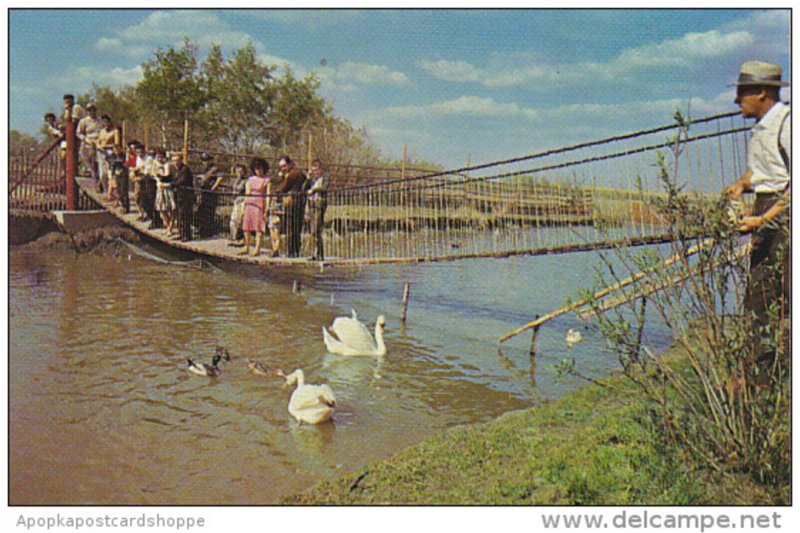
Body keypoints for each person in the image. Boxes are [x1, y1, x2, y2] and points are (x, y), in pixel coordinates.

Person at [724, 60, 791, 382]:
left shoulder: (788, 124)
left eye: (742, 94)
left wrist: (764, 219)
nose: (737, 101)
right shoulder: (762, 126)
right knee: (761, 295)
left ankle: (771, 382)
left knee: (782, 294)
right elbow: (765, 170)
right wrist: (743, 183)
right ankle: (760, 378)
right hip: (768, 207)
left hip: (784, 213)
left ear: (762, 92)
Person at [277, 156, 308, 257]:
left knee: (291, 227)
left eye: (284, 166)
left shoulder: (293, 174)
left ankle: (291, 252)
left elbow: (282, 188)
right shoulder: (300, 173)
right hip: (300, 201)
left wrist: (282, 178)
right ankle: (296, 251)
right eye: (281, 167)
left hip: (293, 202)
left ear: (290, 164)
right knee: (296, 228)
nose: (283, 168)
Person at [240, 158, 271, 256]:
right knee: (246, 226)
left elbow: (268, 195)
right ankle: (246, 246)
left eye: (260, 168)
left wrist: (267, 208)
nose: (258, 170)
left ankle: (257, 248)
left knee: (258, 227)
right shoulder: (250, 179)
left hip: (259, 203)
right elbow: (247, 193)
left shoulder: (267, 180)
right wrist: (244, 205)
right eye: (256, 168)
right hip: (250, 203)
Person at [194, 152, 224, 238]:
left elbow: (220, 177)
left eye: (206, 160)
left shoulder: (214, 169)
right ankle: (202, 230)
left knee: (209, 212)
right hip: (204, 192)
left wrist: (213, 188)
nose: (205, 162)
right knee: (202, 211)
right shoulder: (205, 169)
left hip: (211, 193)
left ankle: (208, 232)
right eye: (203, 160)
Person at [305, 159, 329, 261]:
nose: (315, 172)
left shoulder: (325, 178)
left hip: (319, 204)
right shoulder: (312, 180)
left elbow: (324, 188)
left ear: (321, 169)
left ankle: (320, 253)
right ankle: (315, 253)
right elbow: (304, 188)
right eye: (313, 170)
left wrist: (314, 189)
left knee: (317, 229)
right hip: (311, 204)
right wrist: (308, 179)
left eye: (316, 170)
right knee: (312, 230)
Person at [170, 152, 195, 241]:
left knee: (185, 215)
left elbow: (182, 181)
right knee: (179, 215)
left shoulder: (185, 169)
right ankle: (181, 233)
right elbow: (173, 179)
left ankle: (187, 235)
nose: (176, 163)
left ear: (181, 160)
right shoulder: (175, 169)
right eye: (174, 161)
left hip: (186, 197)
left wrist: (170, 184)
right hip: (179, 196)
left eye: (177, 160)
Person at [152, 149, 176, 235]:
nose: (159, 159)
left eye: (161, 157)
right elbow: (154, 175)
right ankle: (167, 224)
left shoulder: (168, 165)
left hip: (168, 188)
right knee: (161, 209)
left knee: (171, 208)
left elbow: (168, 176)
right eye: (157, 157)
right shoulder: (155, 165)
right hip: (160, 188)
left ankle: (170, 227)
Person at [76, 103, 103, 181]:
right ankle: (90, 171)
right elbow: (78, 133)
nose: (91, 112)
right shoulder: (83, 121)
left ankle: (99, 176)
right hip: (88, 142)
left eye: (93, 110)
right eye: (89, 110)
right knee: (82, 153)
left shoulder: (100, 120)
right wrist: (85, 139)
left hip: (99, 142)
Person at [96, 115, 120, 195]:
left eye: (107, 121)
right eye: (103, 122)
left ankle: (112, 192)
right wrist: (99, 147)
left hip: (110, 152)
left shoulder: (115, 131)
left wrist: (106, 146)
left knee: (111, 173)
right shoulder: (102, 131)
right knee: (102, 173)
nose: (105, 123)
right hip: (101, 152)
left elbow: (116, 143)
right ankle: (105, 190)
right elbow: (98, 142)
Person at [228, 163, 248, 245]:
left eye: (241, 171)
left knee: (241, 221)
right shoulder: (236, 181)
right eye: (237, 171)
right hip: (236, 201)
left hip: (242, 201)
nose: (239, 173)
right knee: (233, 221)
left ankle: (242, 240)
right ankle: (234, 238)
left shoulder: (246, 181)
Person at [107, 144, 130, 213]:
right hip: (116, 175)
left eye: (118, 149)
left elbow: (127, 164)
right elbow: (110, 164)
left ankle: (126, 207)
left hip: (123, 174)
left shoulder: (124, 156)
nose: (116, 151)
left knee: (123, 191)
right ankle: (122, 205)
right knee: (118, 191)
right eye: (115, 149)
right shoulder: (112, 156)